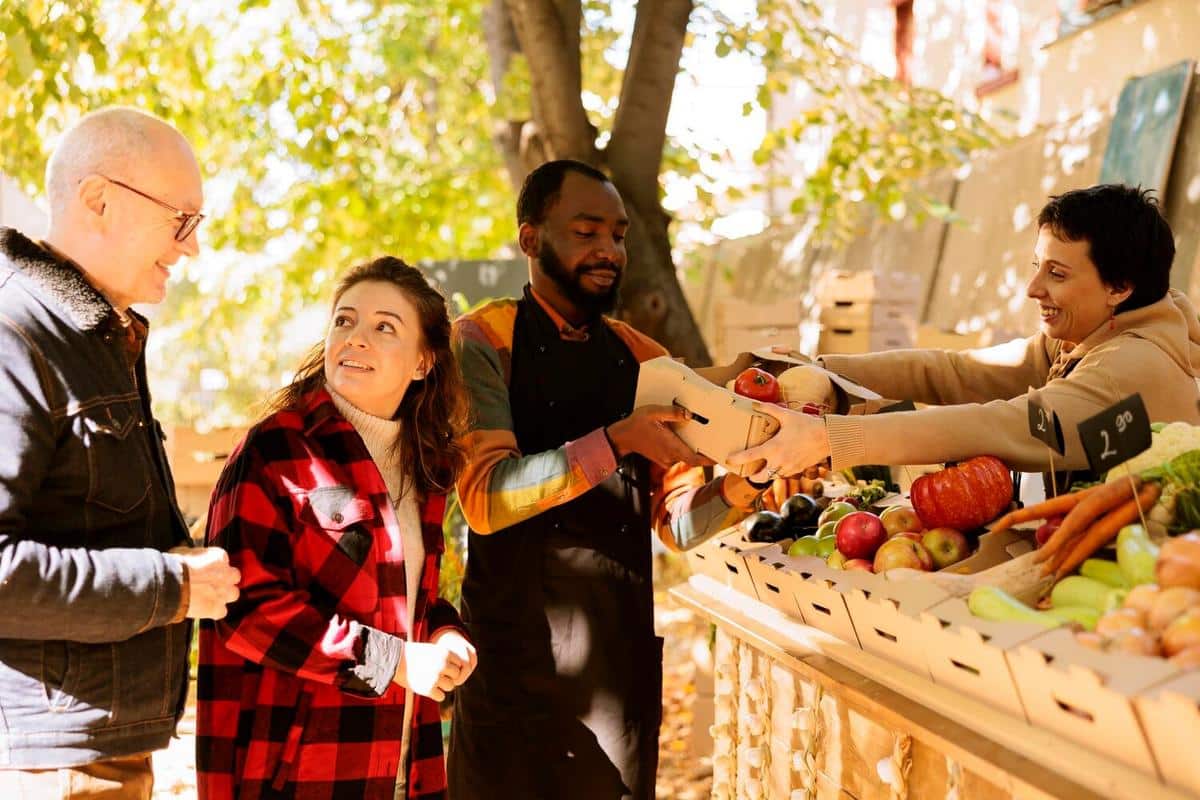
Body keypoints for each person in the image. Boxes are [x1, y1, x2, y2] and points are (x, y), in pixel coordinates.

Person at [447, 159, 776, 799]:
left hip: (614, 675)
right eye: (586, 232)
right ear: (530, 239)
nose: (609, 251)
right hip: (510, 670)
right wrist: (617, 439)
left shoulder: (646, 359)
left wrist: (749, 483)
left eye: (619, 235)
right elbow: (486, 497)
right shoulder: (482, 342)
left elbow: (678, 524)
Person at [0, 107, 241, 798]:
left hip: (92, 751)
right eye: (180, 220)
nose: (192, 247)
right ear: (99, 200)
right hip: (50, 765)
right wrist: (171, 586)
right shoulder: (16, 331)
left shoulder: (96, 337)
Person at [197, 257, 477, 799]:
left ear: (423, 362)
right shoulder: (275, 450)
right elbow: (246, 610)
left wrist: (443, 631)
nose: (356, 338)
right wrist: (393, 661)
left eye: (384, 327)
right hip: (299, 775)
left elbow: (401, 598)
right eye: (344, 321)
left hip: (405, 768)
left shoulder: (427, 467)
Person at [730, 184, 1200, 482]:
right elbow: (957, 372)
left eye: (1056, 274)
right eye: (1037, 266)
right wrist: (820, 372)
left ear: (1119, 287)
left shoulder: (1129, 366)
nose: (1033, 288)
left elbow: (1004, 425)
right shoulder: (1085, 336)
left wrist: (831, 439)